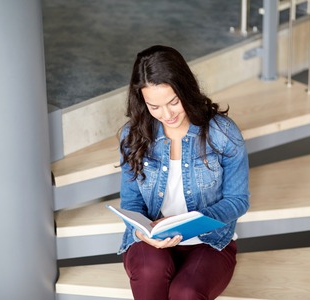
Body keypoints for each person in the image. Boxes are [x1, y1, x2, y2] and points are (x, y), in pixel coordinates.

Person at [117, 45, 250, 300]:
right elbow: (131, 202)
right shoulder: (132, 136)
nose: (166, 115)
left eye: (173, 102)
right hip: (151, 244)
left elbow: (238, 200)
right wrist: (141, 232)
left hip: (209, 242)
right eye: (154, 106)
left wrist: (195, 220)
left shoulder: (222, 133)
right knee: (149, 271)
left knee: (185, 292)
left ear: (186, 89)